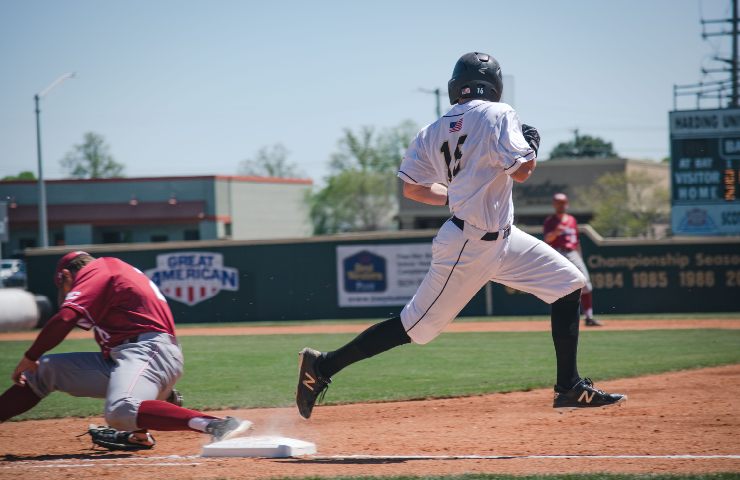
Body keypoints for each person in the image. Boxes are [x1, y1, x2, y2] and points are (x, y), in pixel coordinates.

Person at [296, 51, 626, 419]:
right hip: (469, 245)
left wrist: (454, 194)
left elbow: (413, 189)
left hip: (503, 237)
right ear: (495, 86)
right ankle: (322, 366)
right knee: (416, 326)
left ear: (456, 87)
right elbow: (522, 172)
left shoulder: (433, 129)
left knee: (568, 283)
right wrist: (532, 145)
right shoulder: (500, 113)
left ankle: (569, 386)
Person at [0, 251, 251, 450]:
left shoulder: (98, 270)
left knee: (120, 410)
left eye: (63, 287)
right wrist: (35, 362)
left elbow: (65, 317)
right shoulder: (109, 274)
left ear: (65, 276)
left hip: (149, 351)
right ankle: (140, 432)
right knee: (44, 370)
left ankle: (217, 425)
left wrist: (29, 356)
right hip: (129, 357)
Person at [543, 193, 602, 327]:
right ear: (554, 204)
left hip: (573, 253)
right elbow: (547, 240)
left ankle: (589, 317)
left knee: (585, 283)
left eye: (563, 202)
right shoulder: (550, 221)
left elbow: (576, 241)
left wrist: (579, 256)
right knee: (558, 286)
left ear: (567, 203)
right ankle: (560, 318)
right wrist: (556, 232)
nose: (561, 204)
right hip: (557, 253)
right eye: (558, 202)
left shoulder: (571, 220)